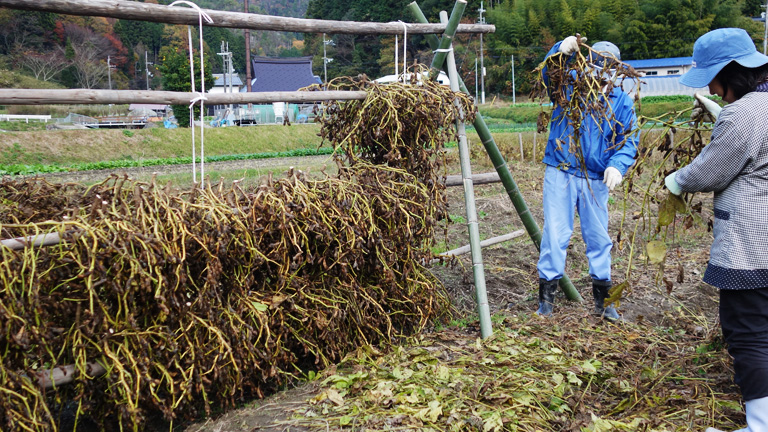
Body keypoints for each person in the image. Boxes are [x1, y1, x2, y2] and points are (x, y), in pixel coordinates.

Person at [664, 27, 768, 432]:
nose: (710, 85)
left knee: (749, 332)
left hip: (754, 245)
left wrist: (677, 180)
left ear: (730, 71)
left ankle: (760, 425)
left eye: (712, 75)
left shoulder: (744, 115)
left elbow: (712, 169)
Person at [536, 36, 639, 319]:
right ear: (586, 63)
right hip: (561, 169)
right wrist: (560, 50)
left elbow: (628, 140)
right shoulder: (567, 86)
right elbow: (547, 73)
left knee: (598, 237)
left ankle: (604, 303)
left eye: (607, 67)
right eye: (595, 65)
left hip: (596, 177)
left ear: (616, 70)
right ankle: (546, 303)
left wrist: (617, 166)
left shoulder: (620, 102)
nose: (599, 72)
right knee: (556, 234)